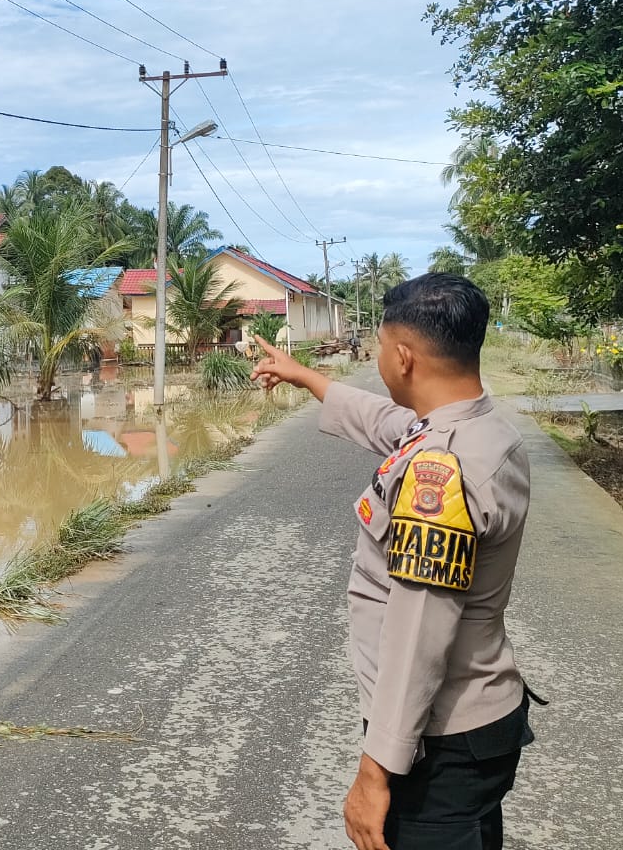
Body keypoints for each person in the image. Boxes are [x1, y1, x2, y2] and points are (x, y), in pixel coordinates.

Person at [251, 273, 536, 850]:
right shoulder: (474, 426)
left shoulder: (441, 472)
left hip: (442, 742)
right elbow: (389, 424)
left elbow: (419, 631)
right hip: (480, 726)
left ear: (403, 357)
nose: (379, 358)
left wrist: (375, 771)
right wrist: (306, 376)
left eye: (380, 346)